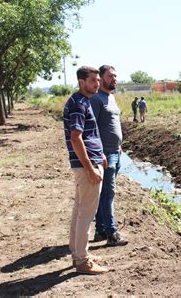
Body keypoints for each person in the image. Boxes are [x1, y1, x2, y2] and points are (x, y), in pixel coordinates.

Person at [63, 66, 108, 274]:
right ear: (81, 82)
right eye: (93, 80)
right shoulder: (79, 104)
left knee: (80, 210)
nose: (97, 84)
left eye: (98, 80)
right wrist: (91, 168)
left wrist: (101, 156)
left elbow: (89, 134)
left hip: (89, 162)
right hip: (85, 166)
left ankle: (78, 252)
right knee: (87, 213)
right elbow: (76, 138)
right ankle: (82, 261)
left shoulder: (81, 101)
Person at [90, 65, 128, 246]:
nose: (114, 79)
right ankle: (112, 233)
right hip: (104, 154)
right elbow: (91, 129)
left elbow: (112, 124)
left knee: (104, 194)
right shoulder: (96, 99)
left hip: (115, 152)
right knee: (108, 194)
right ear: (101, 78)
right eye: (111, 76)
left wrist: (118, 146)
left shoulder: (111, 97)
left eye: (116, 76)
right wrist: (99, 152)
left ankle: (100, 231)